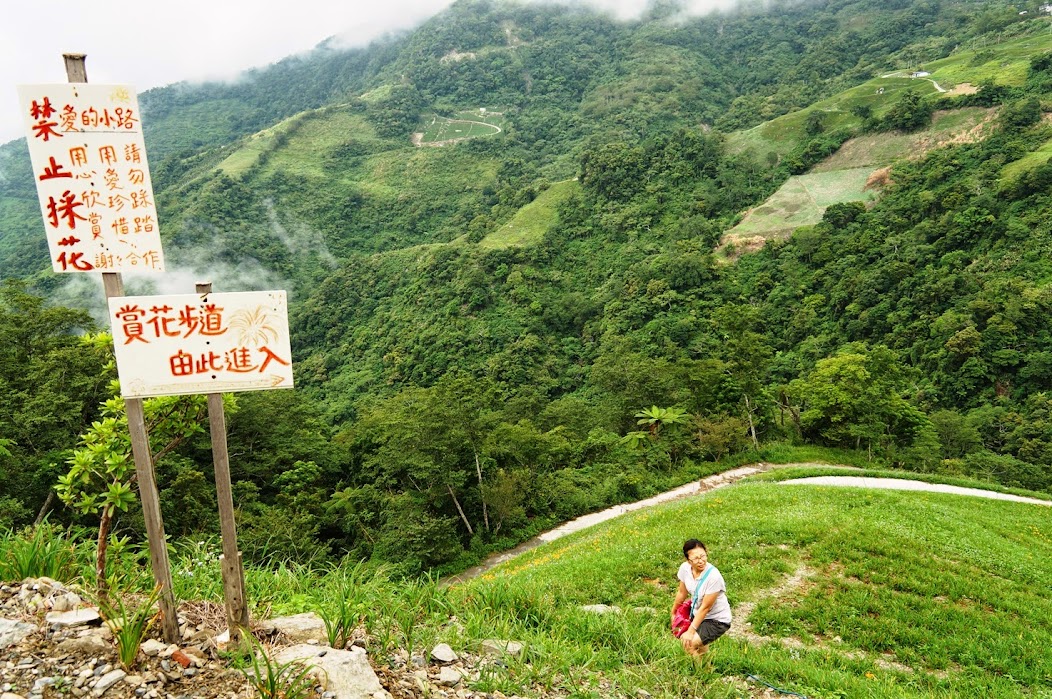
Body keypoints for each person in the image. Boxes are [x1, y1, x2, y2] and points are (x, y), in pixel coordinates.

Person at [671, 539, 731, 657]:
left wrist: (691, 631)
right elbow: (682, 593)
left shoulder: (714, 577)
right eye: (696, 558)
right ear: (688, 561)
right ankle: (706, 670)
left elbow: (705, 607)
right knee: (701, 650)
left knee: (689, 644)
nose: (701, 561)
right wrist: (673, 613)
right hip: (698, 614)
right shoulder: (685, 569)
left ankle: (700, 674)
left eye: (703, 556)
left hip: (716, 619)